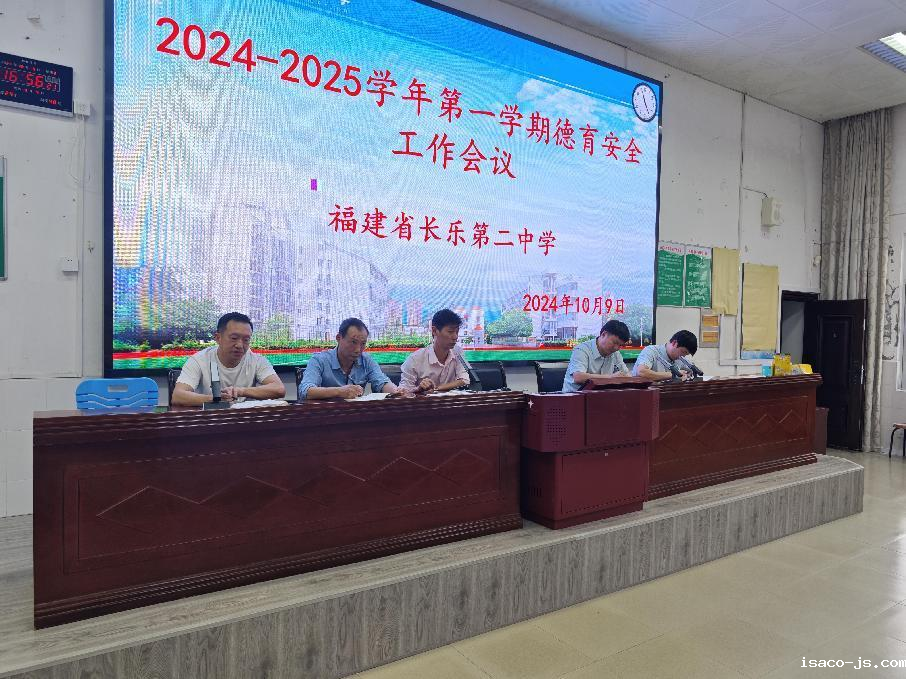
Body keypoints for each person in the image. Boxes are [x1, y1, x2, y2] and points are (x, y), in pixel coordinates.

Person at [172, 312, 286, 406]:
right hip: (211, 420)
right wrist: (215, 399)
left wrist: (241, 391)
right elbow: (178, 396)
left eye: (246, 340)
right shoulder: (199, 360)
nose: (240, 345)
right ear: (218, 338)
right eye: (234, 338)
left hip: (244, 420)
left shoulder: (257, 360)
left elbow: (279, 389)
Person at [298, 318, 402, 400]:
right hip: (325, 415)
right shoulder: (319, 360)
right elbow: (305, 391)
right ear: (339, 338)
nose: (358, 350)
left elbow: (382, 382)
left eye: (363, 344)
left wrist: (396, 391)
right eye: (353, 342)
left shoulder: (366, 360)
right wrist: (339, 392)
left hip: (354, 415)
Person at [399, 308, 469, 393]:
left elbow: (465, 380)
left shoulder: (458, 352)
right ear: (434, 331)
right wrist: (419, 389)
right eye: (450, 332)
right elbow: (403, 392)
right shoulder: (415, 359)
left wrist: (436, 388)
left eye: (457, 332)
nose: (455, 337)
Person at [562, 320, 631, 392]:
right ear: (604, 334)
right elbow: (578, 377)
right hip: (574, 396)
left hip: (599, 395)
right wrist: (611, 377)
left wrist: (625, 376)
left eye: (620, 345)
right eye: (614, 343)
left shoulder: (616, 354)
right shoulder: (582, 349)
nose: (616, 348)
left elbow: (627, 375)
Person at [632, 330, 699, 381]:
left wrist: (688, 374)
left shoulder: (680, 358)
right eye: (683, 352)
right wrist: (673, 374)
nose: (683, 356)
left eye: (686, 354)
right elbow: (641, 372)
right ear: (674, 343)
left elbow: (692, 371)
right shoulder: (651, 351)